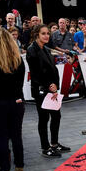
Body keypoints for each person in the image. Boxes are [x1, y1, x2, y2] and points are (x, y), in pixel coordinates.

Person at [26, 24, 70, 158]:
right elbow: (36, 73)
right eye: (43, 33)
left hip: (52, 89)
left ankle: (55, 144)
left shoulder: (46, 49)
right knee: (44, 118)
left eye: (47, 33)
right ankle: (45, 148)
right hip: (41, 90)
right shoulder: (31, 50)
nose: (46, 36)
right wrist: (49, 85)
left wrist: (55, 86)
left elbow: (53, 70)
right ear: (36, 35)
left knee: (56, 116)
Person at [0, 27, 25, 171]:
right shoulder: (18, 60)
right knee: (16, 136)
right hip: (17, 101)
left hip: (0, 102)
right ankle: (20, 169)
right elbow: (20, 84)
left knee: (1, 136)